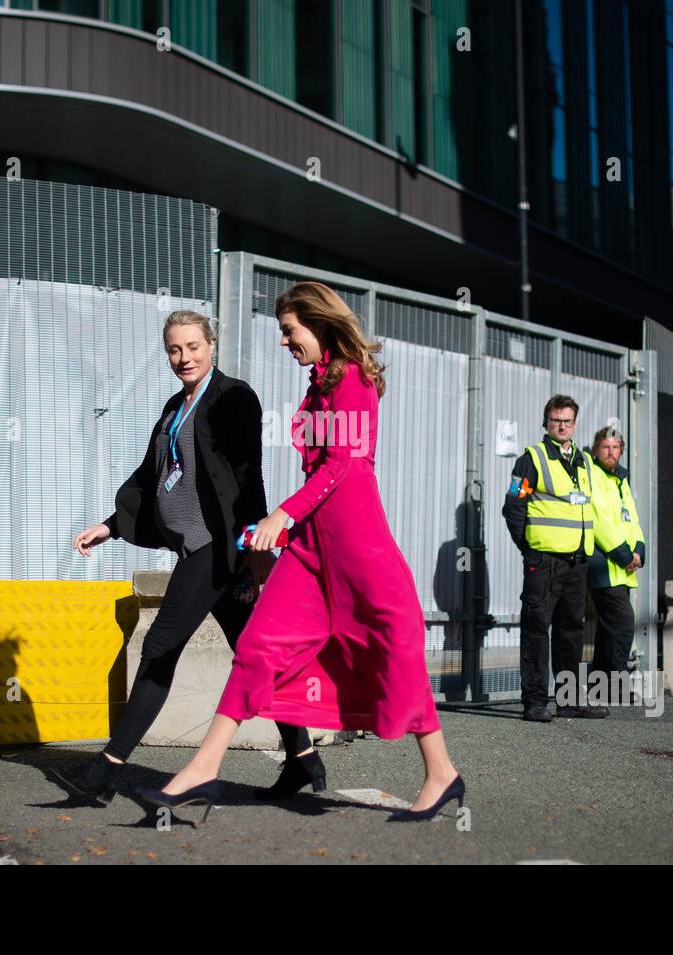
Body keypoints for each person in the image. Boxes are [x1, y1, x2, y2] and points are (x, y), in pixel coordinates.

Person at [134, 281, 463, 823]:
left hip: (356, 539)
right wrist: (288, 529)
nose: (285, 342)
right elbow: (320, 471)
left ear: (318, 321)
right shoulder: (318, 384)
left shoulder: (353, 377)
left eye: (290, 330)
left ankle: (441, 772)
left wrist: (280, 517)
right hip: (312, 544)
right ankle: (204, 767)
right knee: (259, 644)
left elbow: (344, 465)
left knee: (390, 645)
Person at [52, 310, 318, 806]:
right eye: (175, 349)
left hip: (218, 549)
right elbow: (150, 476)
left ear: (211, 345)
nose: (184, 358)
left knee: (159, 649)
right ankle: (304, 758)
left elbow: (247, 475)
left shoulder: (232, 396)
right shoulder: (177, 406)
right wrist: (111, 525)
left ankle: (103, 772)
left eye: (193, 346)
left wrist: (256, 547)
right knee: (256, 653)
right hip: (196, 548)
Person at [502, 395, 608, 722]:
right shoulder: (531, 459)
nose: (561, 426)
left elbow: (588, 507)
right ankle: (535, 702)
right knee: (537, 629)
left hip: (577, 561)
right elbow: (513, 506)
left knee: (571, 630)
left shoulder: (585, 461)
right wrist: (531, 548)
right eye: (555, 420)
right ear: (545, 423)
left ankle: (569, 700)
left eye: (567, 421)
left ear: (574, 424)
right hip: (544, 560)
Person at [586, 426, 646, 702]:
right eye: (605, 447)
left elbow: (630, 518)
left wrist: (639, 550)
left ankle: (600, 687)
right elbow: (599, 520)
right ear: (597, 449)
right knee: (623, 621)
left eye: (616, 447)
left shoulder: (620, 480)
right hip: (603, 565)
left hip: (622, 569)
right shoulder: (594, 475)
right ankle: (616, 684)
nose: (611, 452)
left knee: (610, 627)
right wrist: (624, 554)